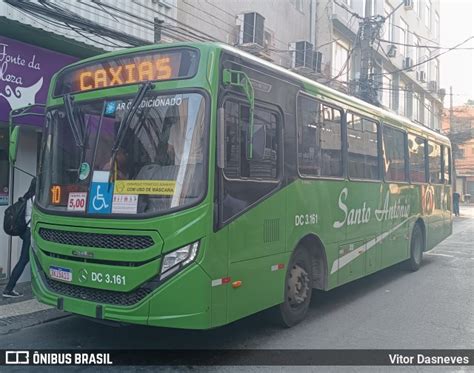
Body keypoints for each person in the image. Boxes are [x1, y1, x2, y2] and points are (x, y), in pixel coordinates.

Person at [3, 178, 36, 298]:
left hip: (27, 232)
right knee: (23, 261)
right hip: (31, 234)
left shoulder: (27, 198)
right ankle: (8, 289)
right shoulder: (37, 199)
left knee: (28, 260)